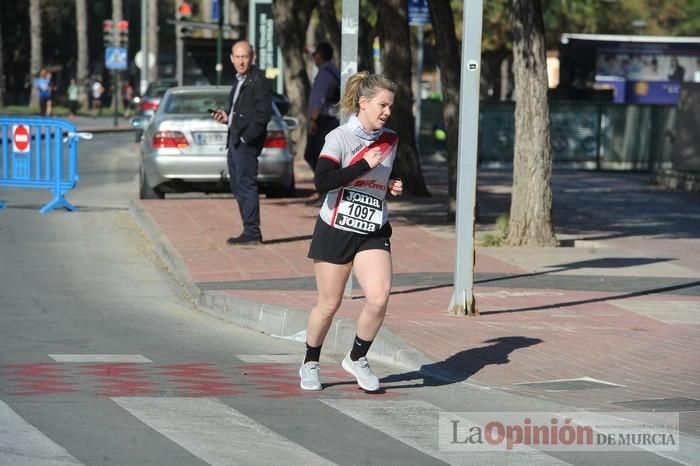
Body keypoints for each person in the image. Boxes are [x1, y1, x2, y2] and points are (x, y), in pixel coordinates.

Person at [299, 71, 403, 392]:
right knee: (329, 305)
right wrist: (363, 166)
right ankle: (310, 362)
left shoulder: (390, 140)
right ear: (364, 103)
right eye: (382, 105)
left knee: (378, 296)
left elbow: (382, 176)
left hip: (371, 228)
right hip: (335, 227)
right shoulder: (339, 138)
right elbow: (323, 182)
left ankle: (357, 358)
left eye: (390, 107)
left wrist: (394, 183)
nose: (387, 112)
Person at [211, 40, 272, 245]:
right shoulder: (238, 81)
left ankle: (252, 232)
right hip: (234, 140)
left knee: (246, 185)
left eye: (244, 56)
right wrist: (226, 117)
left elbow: (263, 115)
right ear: (231, 59)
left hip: (245, 143)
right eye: (237, 57)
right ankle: (248, 229)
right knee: (237, 186)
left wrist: (247, 138)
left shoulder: (259, 81)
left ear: (252, 57)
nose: (241, 61)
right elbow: (240, 112)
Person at [305, 42, 341, 174]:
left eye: (314, 55)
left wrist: (313, 121)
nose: (313, 58)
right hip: (330, 120)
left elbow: (319, 100)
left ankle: (326, 187)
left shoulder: (324, 74)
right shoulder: (334, 71)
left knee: (314, 155)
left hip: (322, 121)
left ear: (319, 55)